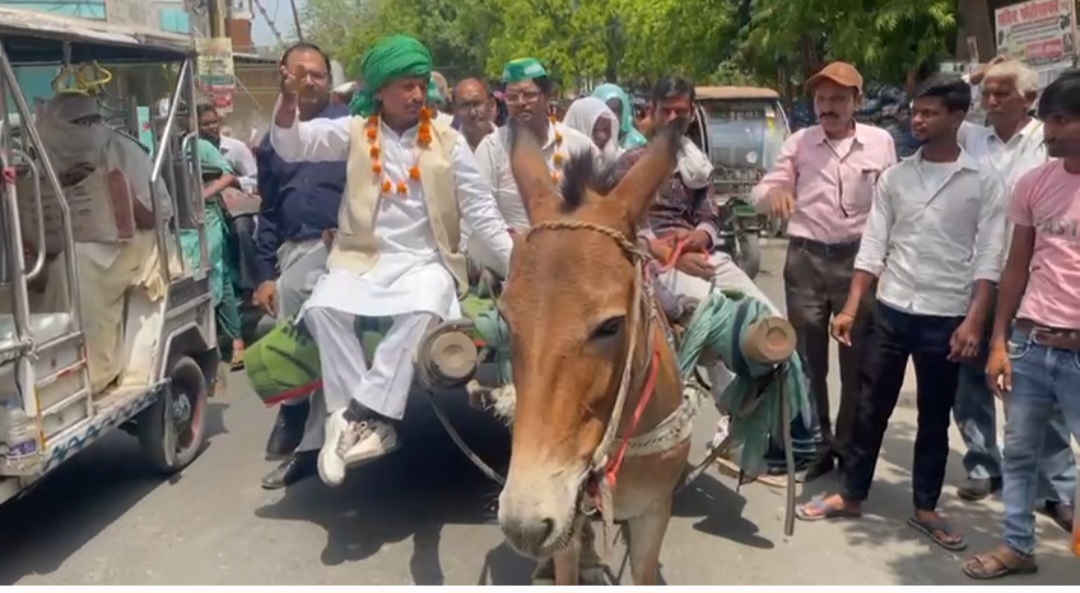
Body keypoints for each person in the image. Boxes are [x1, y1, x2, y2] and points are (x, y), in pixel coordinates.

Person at [269, 34, 513, 487]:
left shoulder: (448, 140)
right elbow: (293, 144)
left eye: (421, 83)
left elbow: (480, 211)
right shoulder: (355, 131)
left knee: (425, 310)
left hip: (425, 262)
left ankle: (360, 413)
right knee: (323, 308)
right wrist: (287, 103)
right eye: (405, 85)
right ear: (379, 89)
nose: (417, 94)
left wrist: (519, 263)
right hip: (361, 260)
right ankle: (356, 422)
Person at [796, 77, 1008, 553]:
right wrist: (852, 307)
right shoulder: (896, 178)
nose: (917, 120)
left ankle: (926, 507)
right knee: (870, 407)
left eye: (929, 113)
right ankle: (851, 493)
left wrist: (974, 323)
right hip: (892, 310)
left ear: (957, 118)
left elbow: (989, 259)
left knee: (935, 417)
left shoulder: (984, 181)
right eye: (915, 111)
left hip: (947, 318)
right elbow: (873, 245)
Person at [612, 76, 810, 471]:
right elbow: (627, 225)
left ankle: (767, 426)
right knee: (720, 322)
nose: (672, 117)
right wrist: (672, 254)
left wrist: (699, 236)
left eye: (680, 111)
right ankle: (730, 418)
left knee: (769, 323)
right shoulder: (629, 164)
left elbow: (709, 216)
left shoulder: (697, 164)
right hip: (650, 261)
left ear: (690, 113)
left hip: (703, 255)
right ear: (650, 111)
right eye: (665, 109)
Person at [751, 62, 897, 482]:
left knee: (858, 364)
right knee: (807, 362)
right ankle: (817, 443)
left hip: (859, 264)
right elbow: (762, 190)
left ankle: (847, 445)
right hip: (806, 261)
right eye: (821, 99)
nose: (827, 107)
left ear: (857, 102)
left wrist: (887, 260)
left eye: (837, 99)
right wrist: (775, 193)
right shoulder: (799, 143)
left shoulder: (880, 142)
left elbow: (892, 204)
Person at [963, 71, 1080, 580]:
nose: (1049, 131)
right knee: (1019, 454)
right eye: (1047, 119)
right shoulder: (1034, 184)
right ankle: (1017, 546)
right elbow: (1016, 266)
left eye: (1061, 120)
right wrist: (1000, 342)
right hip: (1031, 345)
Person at [255, 42, 350, 489]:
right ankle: (298, 415)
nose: (310, 80)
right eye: (301, 73)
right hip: (293, 253)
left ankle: (306, 437)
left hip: (347, 252)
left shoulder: (352, 131)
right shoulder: (272, 139)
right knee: (291, 303)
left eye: (318, 74)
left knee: (319, 326)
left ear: (329, 82)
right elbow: (269, 212)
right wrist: (263, 276)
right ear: (284, 77)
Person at [33, 94, 171, 394]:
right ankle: (43, 365)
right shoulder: (50, 154)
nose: (90, 128)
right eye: (80, 123)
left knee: (74, 270)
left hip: (132, 242)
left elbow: (156, 216)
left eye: (93, 121)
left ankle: (95, 369)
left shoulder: (122, 150)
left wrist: (115, 192)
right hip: (71, 238)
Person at [470, 58, 597, 274]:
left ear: (547, 97)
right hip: (513, 252)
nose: (521, 103)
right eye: (512, 97)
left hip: (570, 250)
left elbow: (596, 206)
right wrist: (518, 249)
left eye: (529, 95)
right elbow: (482, 213)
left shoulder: (578, 146)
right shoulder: (491, 148)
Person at [182, 105, 246, 367]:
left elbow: (228, 174)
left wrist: (204, 194)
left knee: (213, 273)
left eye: (212, 122)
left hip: (207, 219)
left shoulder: (203, 148)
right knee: (204, 277)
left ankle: (231, 343)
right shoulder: (164, 149)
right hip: (181, 223)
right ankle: (230, 340)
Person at [196, 105, 261, 310]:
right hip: (206, 209)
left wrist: (233, 183)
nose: (211, 127)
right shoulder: (192, 150)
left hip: (237, 208)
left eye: (213, 122)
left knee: (241, 229)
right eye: (205, 124)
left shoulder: (236, 148)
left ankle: (249, 288)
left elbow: (257, 181)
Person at [562, 96, 622, 166]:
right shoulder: (558, 159)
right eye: (597, 130)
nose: (604, 137)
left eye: (607, 130)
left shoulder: (620, 158)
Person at [592, 83, 648, 150]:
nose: (613, 115)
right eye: (608, 110)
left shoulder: (637, 142)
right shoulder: (589, 143)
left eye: (617, 110)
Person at [452, 77, 496, 151]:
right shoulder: (450, 148)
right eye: (465, 105)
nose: (472, 113)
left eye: (477, 103)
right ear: (455, 110)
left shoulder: (507, 142)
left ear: (491, 105)